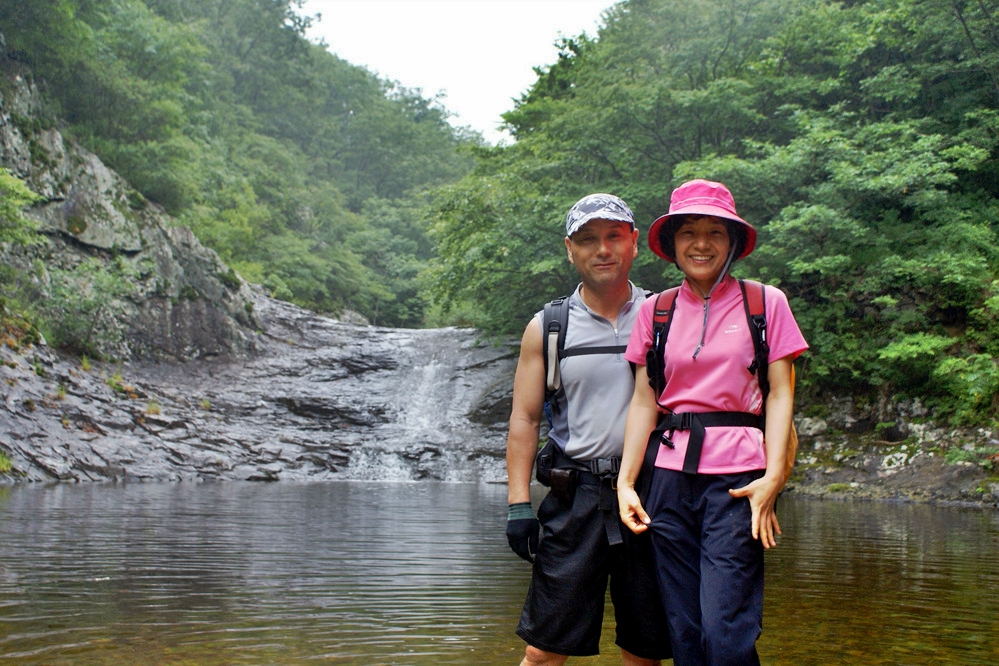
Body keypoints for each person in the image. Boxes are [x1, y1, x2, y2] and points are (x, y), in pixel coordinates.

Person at [616, 179, 808, 665]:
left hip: (739, 480)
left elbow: (781, 392)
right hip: (668, 479)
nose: (701, 244)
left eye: (715, 232)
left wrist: (774, 477)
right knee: (684, 628)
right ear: (673, 244)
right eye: (689, 233)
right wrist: (626, 482)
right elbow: (645, 400)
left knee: (725, 630)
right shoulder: (654, 311)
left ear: (733, 242)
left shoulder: (765, 303)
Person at [505, 193, 673, 666]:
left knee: (644, 651)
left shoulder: (664, 315)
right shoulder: (548, 328)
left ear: (634, 243)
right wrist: (519, 505)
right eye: (588, 239)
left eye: (614, 237)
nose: (602, 249)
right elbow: (525, 418)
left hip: (649, 495)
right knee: (543, 650)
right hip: (574, 496)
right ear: (570, 249)